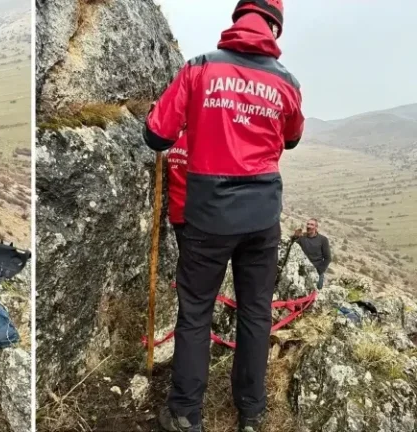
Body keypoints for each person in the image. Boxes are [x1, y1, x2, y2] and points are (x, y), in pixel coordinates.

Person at [143, 0, 304, 431]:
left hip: (208, 217)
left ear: (238, 20)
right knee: (256, 310)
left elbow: (156, 135)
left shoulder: (198, 68)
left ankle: (184, 414)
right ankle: (251, 413)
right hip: (262, 217)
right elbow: (292, 137)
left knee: (196, 311)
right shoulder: (286, 82)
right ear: (275, 27)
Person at [291, 218, 331, 290]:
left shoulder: (323, 240)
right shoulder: (302, 238)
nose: (309, 226)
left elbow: (328, 258)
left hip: (317, 271)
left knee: (316, 295)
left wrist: (319, 271)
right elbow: (291, 246)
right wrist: (294, 237)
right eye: (308, 224)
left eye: (312, 225)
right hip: (303, 271)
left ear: (316, 227)